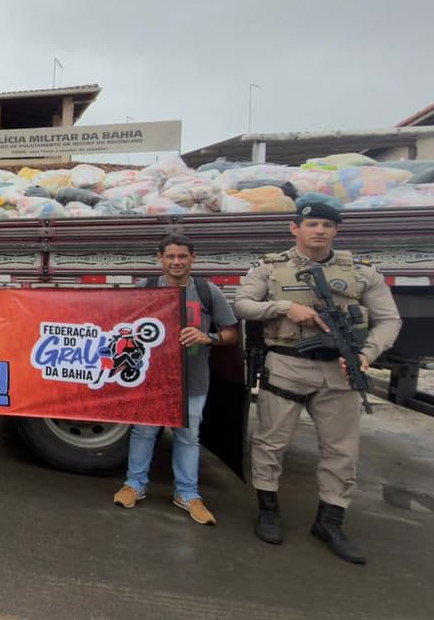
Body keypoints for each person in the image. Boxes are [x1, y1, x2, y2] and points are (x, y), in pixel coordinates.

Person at [234, 202, 401, 564]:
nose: (320, 230)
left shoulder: (360, 272)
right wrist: (283, 308)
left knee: (341, 451)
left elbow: (389, 319)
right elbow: (243, 304)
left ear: (337, 230)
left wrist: (366, 355)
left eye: (328, 224)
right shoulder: (270, 267)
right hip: (288, 364)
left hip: (341, 369)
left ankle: (330, 521)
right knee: (269, 442)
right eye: (312, 223)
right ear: (294, 228)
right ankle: (268, 510)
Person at [113, 234, 239, 525]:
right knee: (143, 432)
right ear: (160, 259)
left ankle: (187, 494)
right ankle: (134, 485)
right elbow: (120, 322)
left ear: (193, 258)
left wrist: (208, 337)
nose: (176, 262)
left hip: (193, 380)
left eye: (182, 256)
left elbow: (231, 332)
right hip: (151, 380)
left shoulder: (208, 292)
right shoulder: (145, 289)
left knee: (188, 436)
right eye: (170, 256)